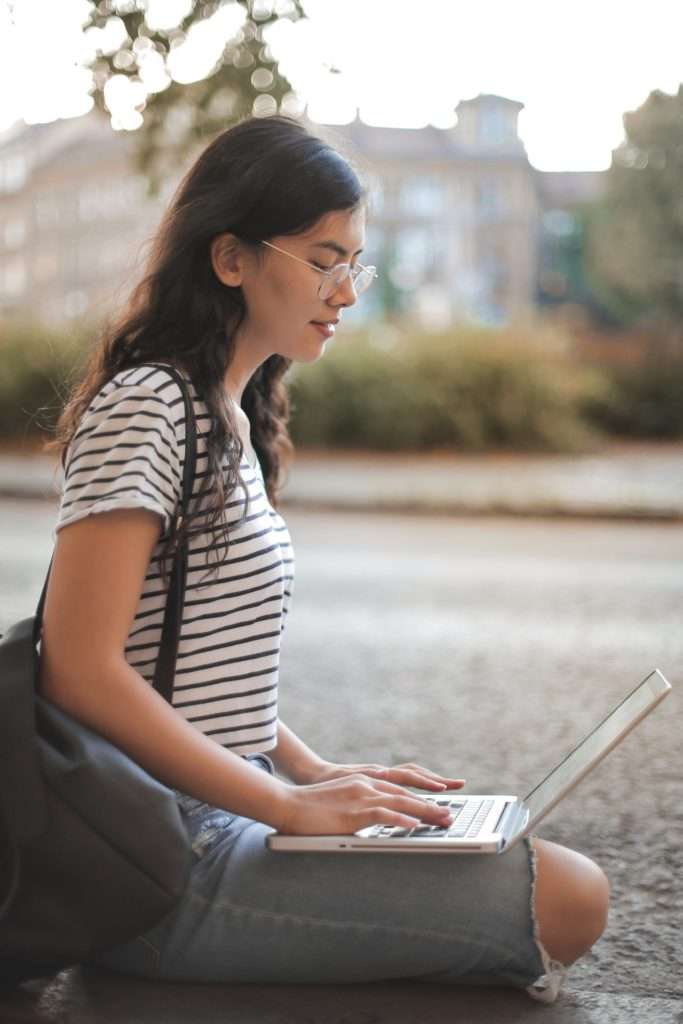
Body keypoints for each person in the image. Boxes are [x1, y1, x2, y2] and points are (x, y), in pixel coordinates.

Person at [39, 114, 608, 1002]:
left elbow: (194, 670)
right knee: (570, 896)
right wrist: (287, 807)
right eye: (322, 258)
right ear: (229, 258)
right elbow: (78, 668)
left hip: (225, 815)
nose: (346, 291)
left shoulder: (229, 412)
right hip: (151, 863)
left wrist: (310, 769)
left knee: (524, 859)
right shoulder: (148, 404)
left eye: (355, 262)